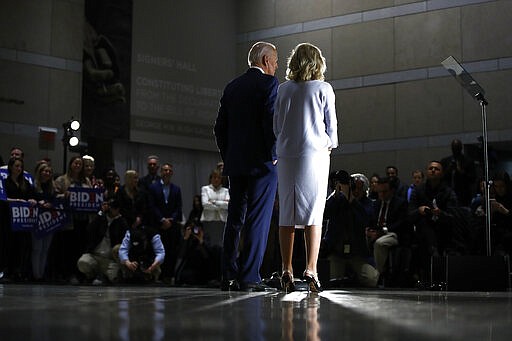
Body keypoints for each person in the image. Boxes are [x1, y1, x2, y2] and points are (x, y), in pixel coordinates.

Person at [214, 41, 279, 292]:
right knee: (258, 219)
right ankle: (249, 276)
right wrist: (273, 154)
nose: (275, 66)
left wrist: (228, 155)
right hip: (262, 163)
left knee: (235, 219)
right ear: (265, 61)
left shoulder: (232, 86)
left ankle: (227, 275)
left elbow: (219, 127)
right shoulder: (268, 84)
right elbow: (269, 121)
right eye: (275, 61)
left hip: (236, 163)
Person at [273, 42, 338, 293]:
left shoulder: (283, 89)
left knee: (287, 211)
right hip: (315, 154)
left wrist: (284, 142)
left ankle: (286, 268)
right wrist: (330, 144)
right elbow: (331, 124)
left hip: (287, 154)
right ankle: (311, 268)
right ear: (317, 62)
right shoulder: (324, 88)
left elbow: (276, 124)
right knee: (314, 211)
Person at [322, 170, 379, 288]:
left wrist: (352, 200)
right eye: (354, 189)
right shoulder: (337, 200)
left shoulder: (367, 204)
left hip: (357, 253)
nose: (357, 192)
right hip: (336, 252)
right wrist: (336, 195)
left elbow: (365, 219)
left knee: (371, 279)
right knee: (331, 281)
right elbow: (325, 213)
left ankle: (353, 278)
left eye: (360, 189)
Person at [52, 156, 92, 284]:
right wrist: (64, 195)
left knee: (81, 248)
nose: (78, 166)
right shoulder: (62, 179)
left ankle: (79, 273)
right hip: (68, 220)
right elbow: (54, 196)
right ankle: (68, 273)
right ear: (70, 164)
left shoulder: (86, 180)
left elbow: (92, 196)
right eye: (76, 163)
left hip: (83, 219)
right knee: (68, 248)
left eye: (80, 164)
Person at [366, 176, 409, 286]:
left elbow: (402, 223)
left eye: (385, 192)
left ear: (392, 191)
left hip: (394, 233)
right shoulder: (376, 204)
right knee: (364, 237)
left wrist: (383, 231)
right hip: (378, 232)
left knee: (380, 243)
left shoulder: (400, 203)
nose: (382, 195)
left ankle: (379, 274)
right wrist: (370, 230)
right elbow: (372, 221)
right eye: (379, 192)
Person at [0, 157, 36, 281]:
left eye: (20, 166)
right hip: (9, 218)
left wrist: (32, 200)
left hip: (23, 220)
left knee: (22, 245)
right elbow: (3, 198)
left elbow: (32, 196)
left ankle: (19, 271)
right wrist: (16, 201)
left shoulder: (26, 183)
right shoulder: (5, 182)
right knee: (9, 244)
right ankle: (7, 270)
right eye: (16, 166)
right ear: (10, 167)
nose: (19, 169)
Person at [77, 198, 128, 285]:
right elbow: (89, 230)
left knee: (114, 277)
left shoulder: (121, 221)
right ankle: (92, 276)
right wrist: (101, 213)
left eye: (115, 208)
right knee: (83, 262)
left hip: (109, 259)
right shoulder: (101, 217)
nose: (113, 210)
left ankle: (104, 276)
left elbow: (125, 238)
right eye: (111, 207)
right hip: (95, 255)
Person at [147, 162, 183, 283]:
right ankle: (159, 275)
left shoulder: (176, 189)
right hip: (158, 225)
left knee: (172, 251)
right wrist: (162, 219)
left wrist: (171, 220)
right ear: (161, 172)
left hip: (172, 226)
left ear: (172, 173)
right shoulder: (153, 187)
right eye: (165, 170)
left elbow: (178, 208)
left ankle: (169, 275)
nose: (167, 172)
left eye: (169, 171)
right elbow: (152, 206)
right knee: (158, 250)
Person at [31, 162, 61, 281]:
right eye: (45, 171)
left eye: (49, 172)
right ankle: (35, 275)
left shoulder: (52, 188)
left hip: (49, 222)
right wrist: (37, 202)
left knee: (45, 249)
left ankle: (41, 275)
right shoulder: (33, 186)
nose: (47, 174)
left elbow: (55, 202)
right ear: (40, 172)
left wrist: (51, 204)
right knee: (37, 249)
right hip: (36, 222)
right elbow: (29, 198)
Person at [441, 139, 477, 206]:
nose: (455, 150)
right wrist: (449, 169)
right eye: (454, 148)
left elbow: (473, 179)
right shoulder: (445, 161)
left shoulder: (468, 161)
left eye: (457, 147)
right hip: (447, 194)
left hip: (464, 195)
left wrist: (461, 171)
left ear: (461, 148)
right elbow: (441, 178)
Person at [200, 169, 229, 247]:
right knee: (208, 245)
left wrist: (214, 202)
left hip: (222, 220)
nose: (216, 179)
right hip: (208, 220)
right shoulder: (205, 189)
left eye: (219, 177)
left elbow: (228, 205)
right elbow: (205, 204)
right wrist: (222, 203)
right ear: (210, 178)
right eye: (214, 177)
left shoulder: (226, 191)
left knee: (222, 244)